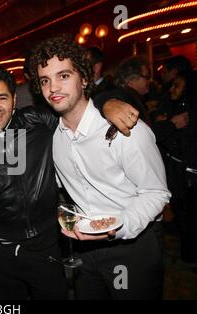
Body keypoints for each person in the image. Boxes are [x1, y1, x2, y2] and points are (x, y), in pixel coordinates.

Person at [0, 66, 139, 300]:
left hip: (46, 247)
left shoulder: (38, 120)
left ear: (14, 100)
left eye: (2, 98)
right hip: (0, 251)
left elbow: (77, 111)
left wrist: (107, 103)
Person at [30, 36, 171, 299]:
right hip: (84, 248)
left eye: (63, 76)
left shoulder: (123, 130)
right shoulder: (55, 138)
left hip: (131, 245)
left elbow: (156, 193)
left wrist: (117, 226)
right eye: (45, 80)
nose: (53, 88)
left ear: (84, 79)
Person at [152, 71, 197, 265]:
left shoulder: (188, 113)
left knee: (189, 218)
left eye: (176, 85)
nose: (171, 89)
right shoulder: (174, 108)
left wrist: (166, 125)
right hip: (179, 173)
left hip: (188, 175)